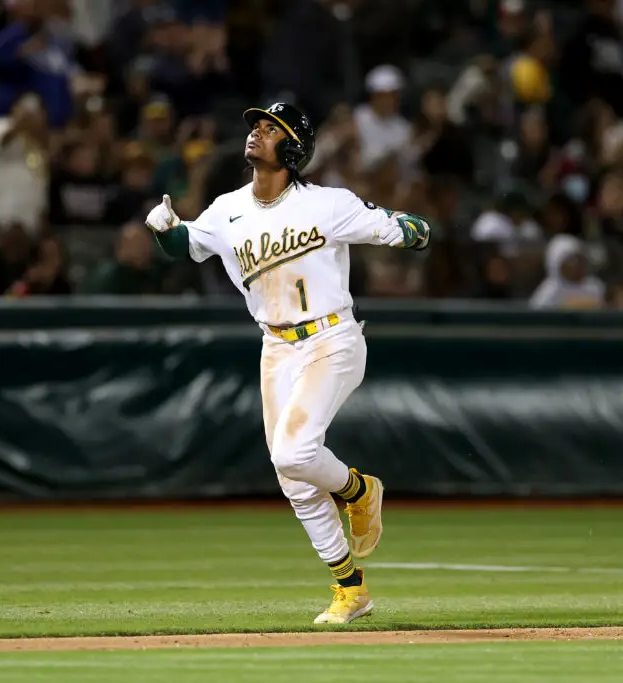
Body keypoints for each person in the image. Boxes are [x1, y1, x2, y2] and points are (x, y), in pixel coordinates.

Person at [144, 102, 432, 625]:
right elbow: (187, 245)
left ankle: (359, 490)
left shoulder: (327, 204)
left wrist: (409, 229)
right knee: (293, 475)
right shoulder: (227, 208)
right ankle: (352, 590)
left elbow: (405, 228)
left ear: (293, 149)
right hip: (275, 347)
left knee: (296, 451)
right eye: (255, 124)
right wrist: (165, 229)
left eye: (270, 128)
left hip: (332, 339)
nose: (256, 131)